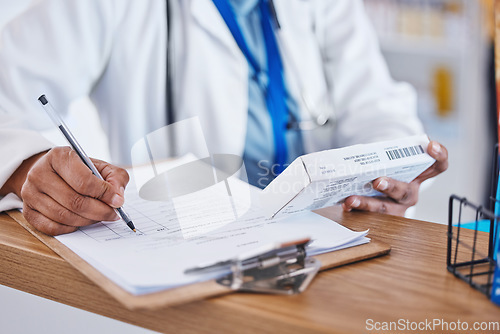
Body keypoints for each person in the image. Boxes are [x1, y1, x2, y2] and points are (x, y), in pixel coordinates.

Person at [0, 0, 448, 236]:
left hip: (324, 233)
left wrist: (390, 170)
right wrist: (25, 167)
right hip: (191, 248)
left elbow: (376, 105)